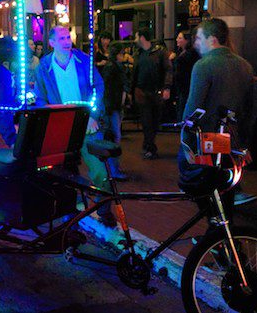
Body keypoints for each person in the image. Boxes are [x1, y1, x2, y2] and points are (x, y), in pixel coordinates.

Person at [34, 26, 114, 225]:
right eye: (61, 38)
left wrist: (93, 115)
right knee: (65, 173)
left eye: (68, 37)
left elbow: (99, 87)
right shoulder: (44, 67)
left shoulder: (84, 60)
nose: (67, 41)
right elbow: (40, 99)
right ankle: (70, 211)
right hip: (62, 125)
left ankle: (103, 210)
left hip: (86, 122)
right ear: (52, 43)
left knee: (100, 171)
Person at [179, 18, 257, 218]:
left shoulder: (204, 66)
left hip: (208, 139)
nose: (196, 43)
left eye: (199, 38)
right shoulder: (245, 66)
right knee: (226, 191)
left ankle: (215, 236)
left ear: (212, 39)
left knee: (199, 186)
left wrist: (185, 139)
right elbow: (252, 110)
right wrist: (244, 144)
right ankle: (222, 239)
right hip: (233, 139)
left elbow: (194, 107)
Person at [132, 28, 172, 160]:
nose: (135, 39)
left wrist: (166, 87)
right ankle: (149, 146)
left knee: (153, 121)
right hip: (143, 92)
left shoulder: (158, 53)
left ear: (142, 38)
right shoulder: (141, 53)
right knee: (147, 121)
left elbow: (167, 70)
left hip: (154, 91)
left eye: (137, 36)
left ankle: (148, 145)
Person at [101, 42, 129, 180]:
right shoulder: (114, 67)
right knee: (114, 136)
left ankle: (113, 168)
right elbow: (109, 89)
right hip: (112, 107)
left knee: (113, 136)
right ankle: (113, 169)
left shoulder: (111, 66)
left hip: (112, 106)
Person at [171, 30, 200, 120]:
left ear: (186, 40)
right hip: (182, 88)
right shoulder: (180, 53)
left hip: (186, 87)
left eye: (180, 38)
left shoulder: (189, 55)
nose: (177, 40)